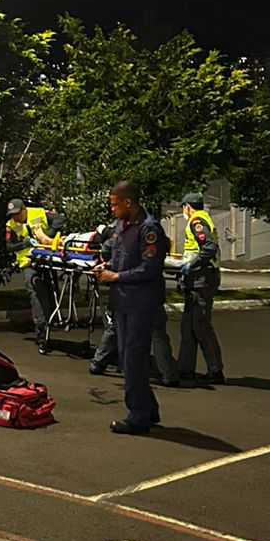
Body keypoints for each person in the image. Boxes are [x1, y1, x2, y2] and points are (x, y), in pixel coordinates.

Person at [94, 181, 166, 434]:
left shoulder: (149, 229)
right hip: (123, 301)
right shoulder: (121, 226)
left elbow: (149, 268)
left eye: (115, 204)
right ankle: (149, 409)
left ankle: (138, 416)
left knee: (134, 359)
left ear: (128, 202)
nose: (112, 209)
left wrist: (116, 277)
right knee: (127, 357)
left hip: (140, 303)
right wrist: (106, 266)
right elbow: (119, 256)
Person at [90, 218, 179, 385]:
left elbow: (113, 253)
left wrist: (111, 269)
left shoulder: (129, 234)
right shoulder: (149, 233)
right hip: (147, 294)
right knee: (157, 333)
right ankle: (168, 374)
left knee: (117, 328)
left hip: (131, 293)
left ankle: (98, 362)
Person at [177, 191, 226, 384]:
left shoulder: (197, 220)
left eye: (183, 208)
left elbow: (209, 247)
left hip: (202, 278)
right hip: (197, 279)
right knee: (188, 326)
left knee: (201, 326)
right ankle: (185, 369)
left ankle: (216, 371)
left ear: (187, 207)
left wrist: (193, 263)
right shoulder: (202, 218)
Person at [5, 197, 60, 352]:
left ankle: (52, 322)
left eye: (17, 213)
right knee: (37, 296)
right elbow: (9, 247)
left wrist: (48, 236)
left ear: (24, 209)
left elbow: (59, 218)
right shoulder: (10, 226)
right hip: (29, 264)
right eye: (13, 214)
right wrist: (26, 243)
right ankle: (42, 332)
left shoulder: (39, 213)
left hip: (48, 259)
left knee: (51, 293)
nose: (15, 217)